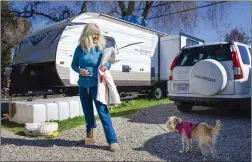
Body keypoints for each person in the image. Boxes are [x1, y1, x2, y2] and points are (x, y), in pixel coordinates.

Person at [71, 23, 118, 152]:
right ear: (87, 35)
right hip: (83, 85)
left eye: (98, 34)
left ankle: (112, 140)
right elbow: (73, 65)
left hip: (97, 86)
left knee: (103, 112)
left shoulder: (101, 48)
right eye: (93, 34)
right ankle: (90, 137)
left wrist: (105, 66)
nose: (96, 36)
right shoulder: (79, 49)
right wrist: (79, 70)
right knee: (88, 113)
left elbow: (108, 62)